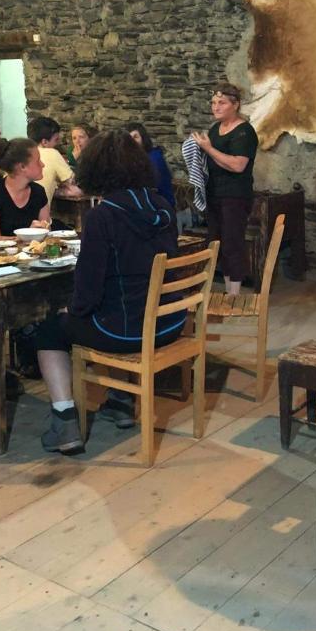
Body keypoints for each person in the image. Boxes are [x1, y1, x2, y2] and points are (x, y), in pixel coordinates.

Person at [35, 130, 185, 452]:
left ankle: (64, 423)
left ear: (96, 170)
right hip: (170, 322)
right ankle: (118, 400)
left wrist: (69, 312)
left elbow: (87, 292)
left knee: (48, 330)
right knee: (117, 304)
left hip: (129, 332)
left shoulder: (103, 216)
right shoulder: (162, 207)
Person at [190, 82, 258, 296]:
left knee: (232, 243)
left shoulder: (244, 132)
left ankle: (234, 294)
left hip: (234, 196)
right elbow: (211, 158)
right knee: (217, 243)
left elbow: (238, 165)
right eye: (213, 103)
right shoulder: (215, 129)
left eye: (221, 103)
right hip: (215, 194)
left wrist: (208, 149)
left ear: (235, 105)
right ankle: (228, 290)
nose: (215, 107)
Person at [0, 138, 50, 237]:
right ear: (22, 167)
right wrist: (27, 235)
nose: (43, 165)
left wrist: (43, 230)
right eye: (38, 161)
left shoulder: (38, 191)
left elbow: (46, 232)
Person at [27, 116, 82, 205]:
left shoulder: (21, 152)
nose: (58, 143)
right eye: (56, 140)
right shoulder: (52, 153)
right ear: (44, 142)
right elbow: (76, 190)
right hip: (38, 217)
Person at [128, 122, 175, 206]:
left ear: (143, 138)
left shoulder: (154, 158)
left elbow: (158, 187)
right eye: (129, 138)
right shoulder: (130, 158)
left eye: (136, 137)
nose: (132, 141)